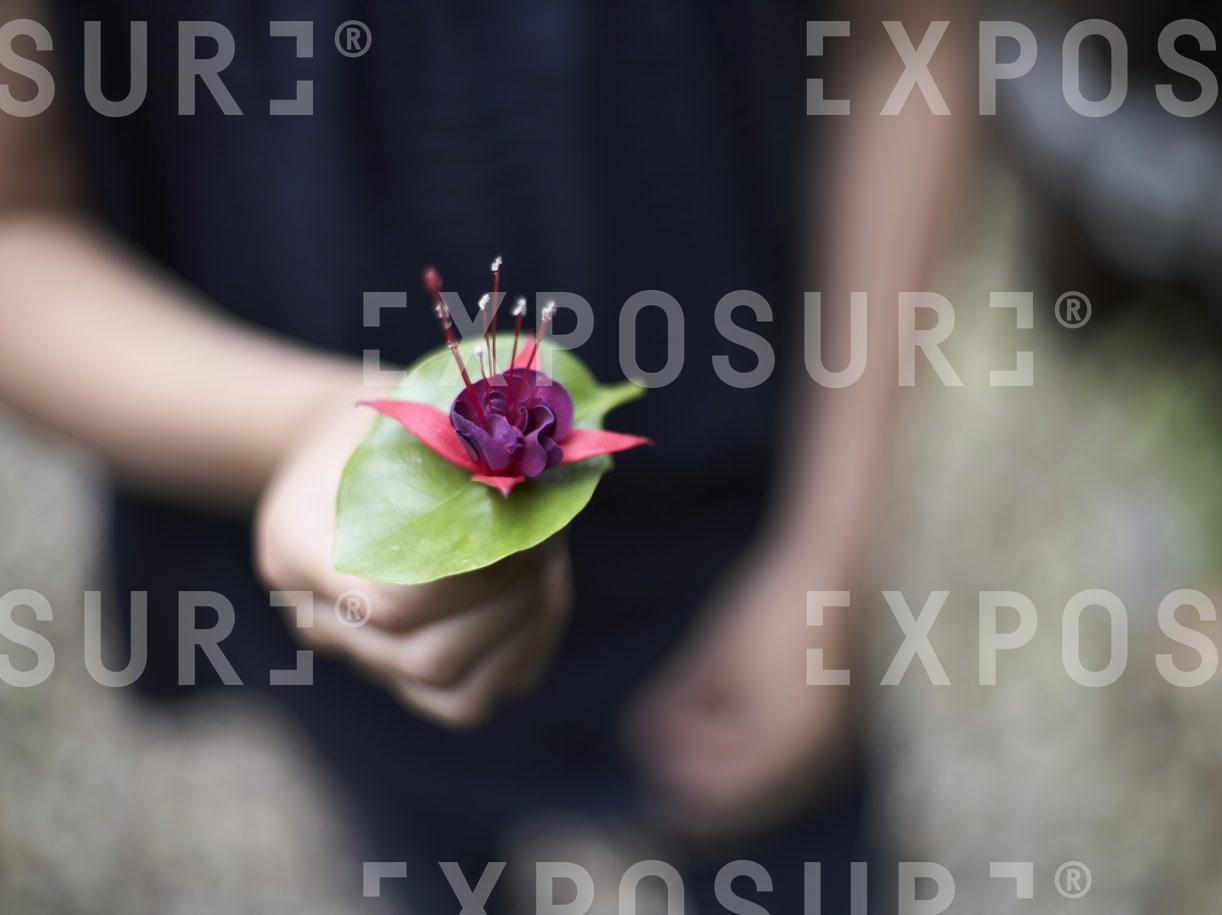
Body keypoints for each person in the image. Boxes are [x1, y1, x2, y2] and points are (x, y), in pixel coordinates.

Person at [0, 1, 967, 910]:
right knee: (415, 840)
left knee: (790, 847)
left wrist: (823, 555)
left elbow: (910, 40)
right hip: (336, 557)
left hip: (728, 519)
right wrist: (305, 428)